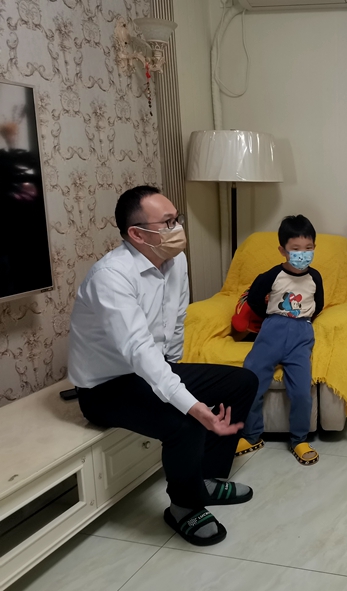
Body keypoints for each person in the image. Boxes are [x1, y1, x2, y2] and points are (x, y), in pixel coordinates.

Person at [69, 186, 258, 547]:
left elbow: (176, 322)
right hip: (105, 387)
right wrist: (190, 402)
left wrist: (177, 374)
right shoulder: (111, 277)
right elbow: (138, 349)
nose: (178, 229)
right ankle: (184, 506)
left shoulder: (175, 261)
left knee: (243, 382)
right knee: (186, 422)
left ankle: (204, 479)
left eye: (177, 219)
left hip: (154, 369)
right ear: (137, 234)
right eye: (168, 222)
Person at [232, 215, 324, 466]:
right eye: (296, 249)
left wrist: (303, 320)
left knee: (302, 391)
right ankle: (252, 435)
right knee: (251, 381)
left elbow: (319, 304)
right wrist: (270, 319)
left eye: (308, 248)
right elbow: (253, 299)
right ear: (283, 250)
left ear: (314, 247)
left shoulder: (315, 277)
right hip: (271, 331)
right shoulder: (272, 275)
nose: (303, 254)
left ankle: (299, 439)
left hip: (301, 334)